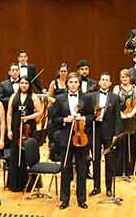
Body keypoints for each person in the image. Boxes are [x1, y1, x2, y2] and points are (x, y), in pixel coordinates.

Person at [50, 72, 93, 208]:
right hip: (65, 137)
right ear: (67, 84)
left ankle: (82, 199)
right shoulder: (60, 98)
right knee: (66, 169)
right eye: (71, 82)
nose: (73, 84)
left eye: (75, 82)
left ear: (79, 84)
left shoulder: (86, 98)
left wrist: (83, 118)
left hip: (81, 138)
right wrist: (64, 119)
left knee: (81, 169)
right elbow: (54, 119)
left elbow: (92, 115)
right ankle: (64, 199)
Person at [6, 76, 43, 193]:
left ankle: (31, 184)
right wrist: (9, 130)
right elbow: (9, 114)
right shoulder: (13, 96)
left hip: (28, 129)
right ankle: (15, 184)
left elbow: (40, 112)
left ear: (29, 85)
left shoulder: (33, 97)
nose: (24, 85)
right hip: (15, 129)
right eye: (22, 83)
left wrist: (28, 117)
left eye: (26, 83)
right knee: (15, 155)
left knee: (28, 156)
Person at [88, 72, 121, 197]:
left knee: (109, 160)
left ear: (110, 83)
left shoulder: (115, 98)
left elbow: (118, 117)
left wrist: (116, 134)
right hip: (95, 131)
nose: (105, 82)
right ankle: (96, 186)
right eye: (103, 79)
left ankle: (108, 187)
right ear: (99, 82)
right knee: (95, 159)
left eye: (107, 80)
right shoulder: (91, 97)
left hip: (109, 132)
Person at [113, 68, 136, 180]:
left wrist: (131, 114)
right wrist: (121, 114)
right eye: (122, 77)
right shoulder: (116, 88)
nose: (124, 79)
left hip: (132, 118)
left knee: (132, 145)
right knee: (120, 144)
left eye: (126, 76)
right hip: (120, 118)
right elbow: (114, 102)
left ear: (130, 77)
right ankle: (119, 171)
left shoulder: (135, 88)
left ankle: (130, 171)